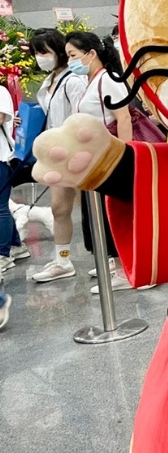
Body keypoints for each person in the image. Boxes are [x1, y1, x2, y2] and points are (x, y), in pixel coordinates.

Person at [64, 31, 133, 292]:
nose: (70, 61)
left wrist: (125, 154)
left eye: (73, 55)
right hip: (96, 158)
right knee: (100, 214)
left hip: (110, 157)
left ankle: (124, 270)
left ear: (91, 54)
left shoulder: (109, 80)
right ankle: (115, 262)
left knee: (112, 214)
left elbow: (123, 118)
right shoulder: (91, 81)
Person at [29, 30, 87, 283]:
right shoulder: (50, 80)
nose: (39, 57)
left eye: (44, 51)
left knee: (92, 209)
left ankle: (114, 258)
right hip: (57, 155)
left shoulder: (73, 81)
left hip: (77, 153)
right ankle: (62, 260)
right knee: (59, 208)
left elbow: (81, 117)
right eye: (36, 52)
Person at [0, 82, 29, 272]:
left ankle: (3, 254)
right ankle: (16, 246)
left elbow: (1, 117)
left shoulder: (1, 91)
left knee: (0, 207)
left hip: (1, 157)